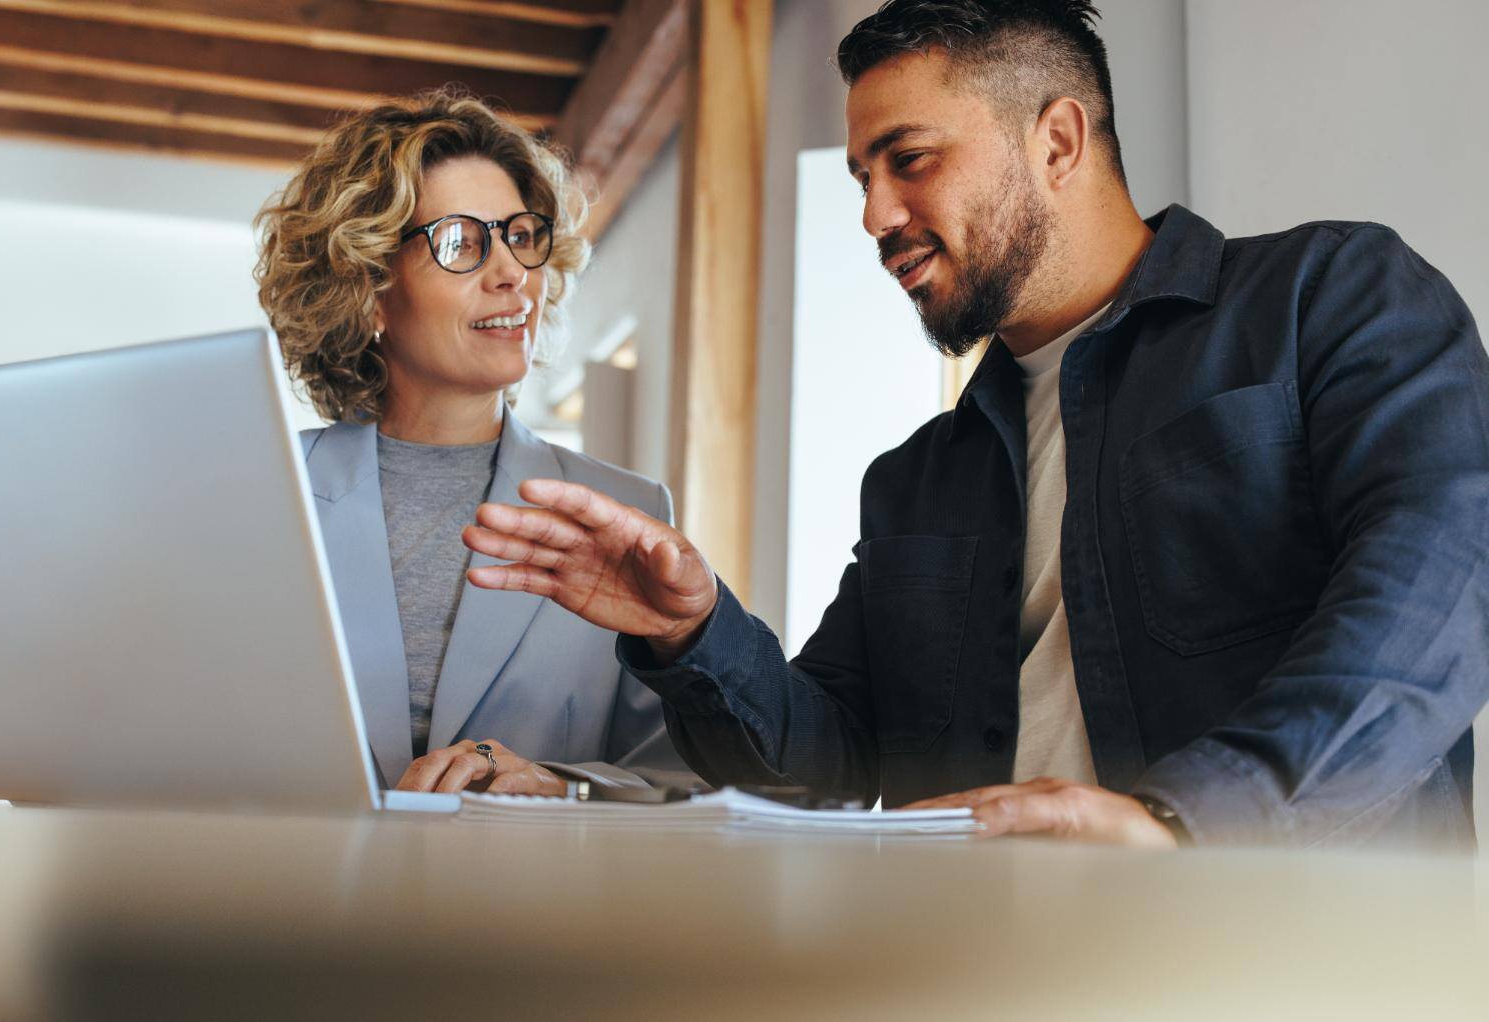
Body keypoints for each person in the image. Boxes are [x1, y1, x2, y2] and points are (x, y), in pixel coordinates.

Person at [461, 0, 1488, 848]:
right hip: (991, 968)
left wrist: (1181, 823)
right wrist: (689, 629)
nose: (872, 213)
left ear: (1056, 141)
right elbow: (829, 763)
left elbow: (1442, 581)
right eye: (864, 175)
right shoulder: (917, 476)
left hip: (1299, 967)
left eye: (907, 159)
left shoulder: (1328, 296)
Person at [253, 90, 696, 795]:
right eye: (461, 242)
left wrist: (561, 786)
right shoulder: (260, 497)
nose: (511, 274)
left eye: (520, 236)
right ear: (368, 288)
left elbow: (686, 776)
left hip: (527, 904)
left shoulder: (625, 509)